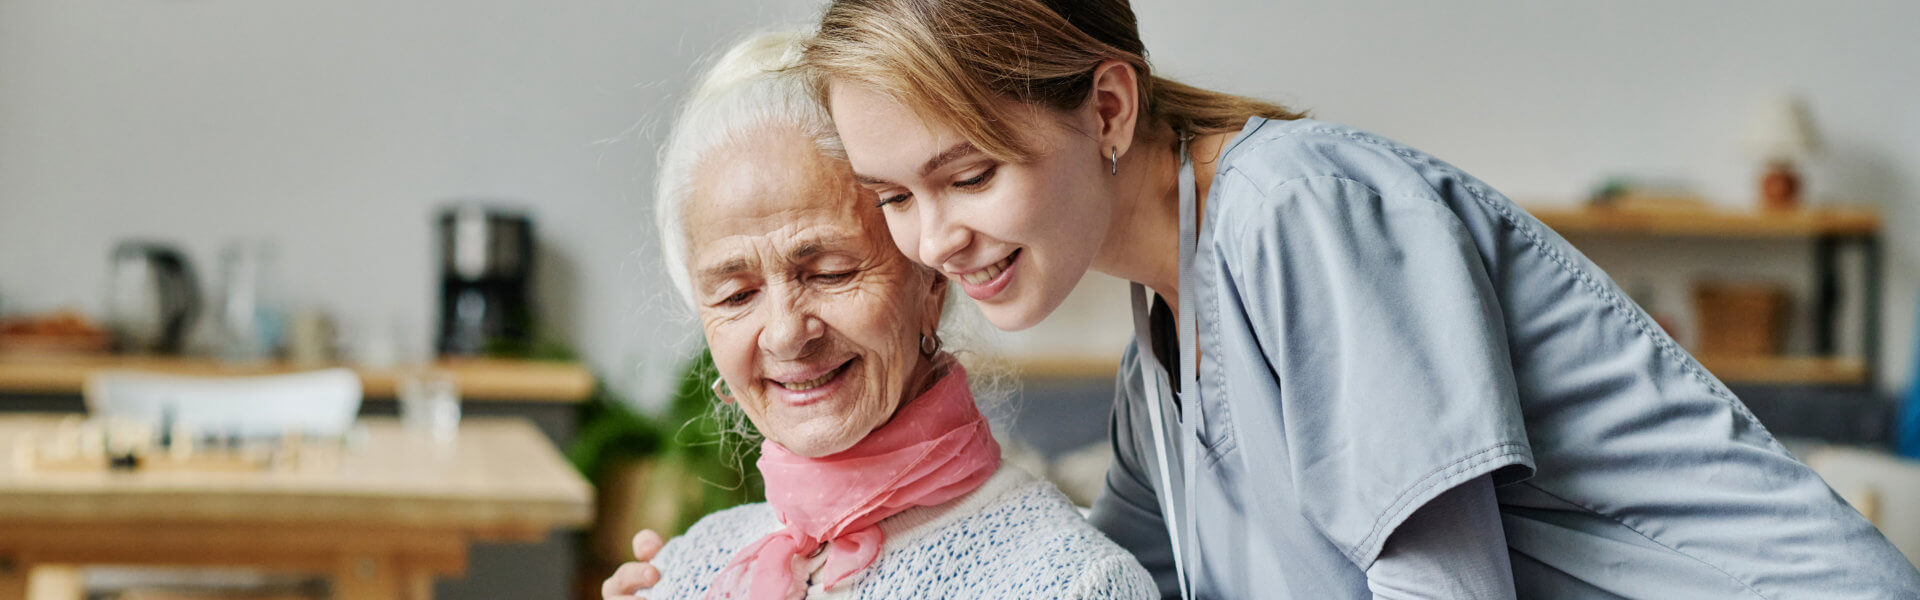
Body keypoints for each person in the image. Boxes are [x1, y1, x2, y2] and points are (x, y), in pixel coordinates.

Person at [775, 0, 1920, 598]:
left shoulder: (1299, 208)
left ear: (1108, 109)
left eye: (970, 174)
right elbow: (1089, 589)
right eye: (894, 198)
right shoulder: (1160, 356)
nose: (936, 238)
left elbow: (1443, 589)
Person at [600, 28, 1156, 600]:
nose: (787, 333)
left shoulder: (1072, 582)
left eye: (831, 272)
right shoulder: (688, 564)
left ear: (932, 280)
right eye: (736, 295)